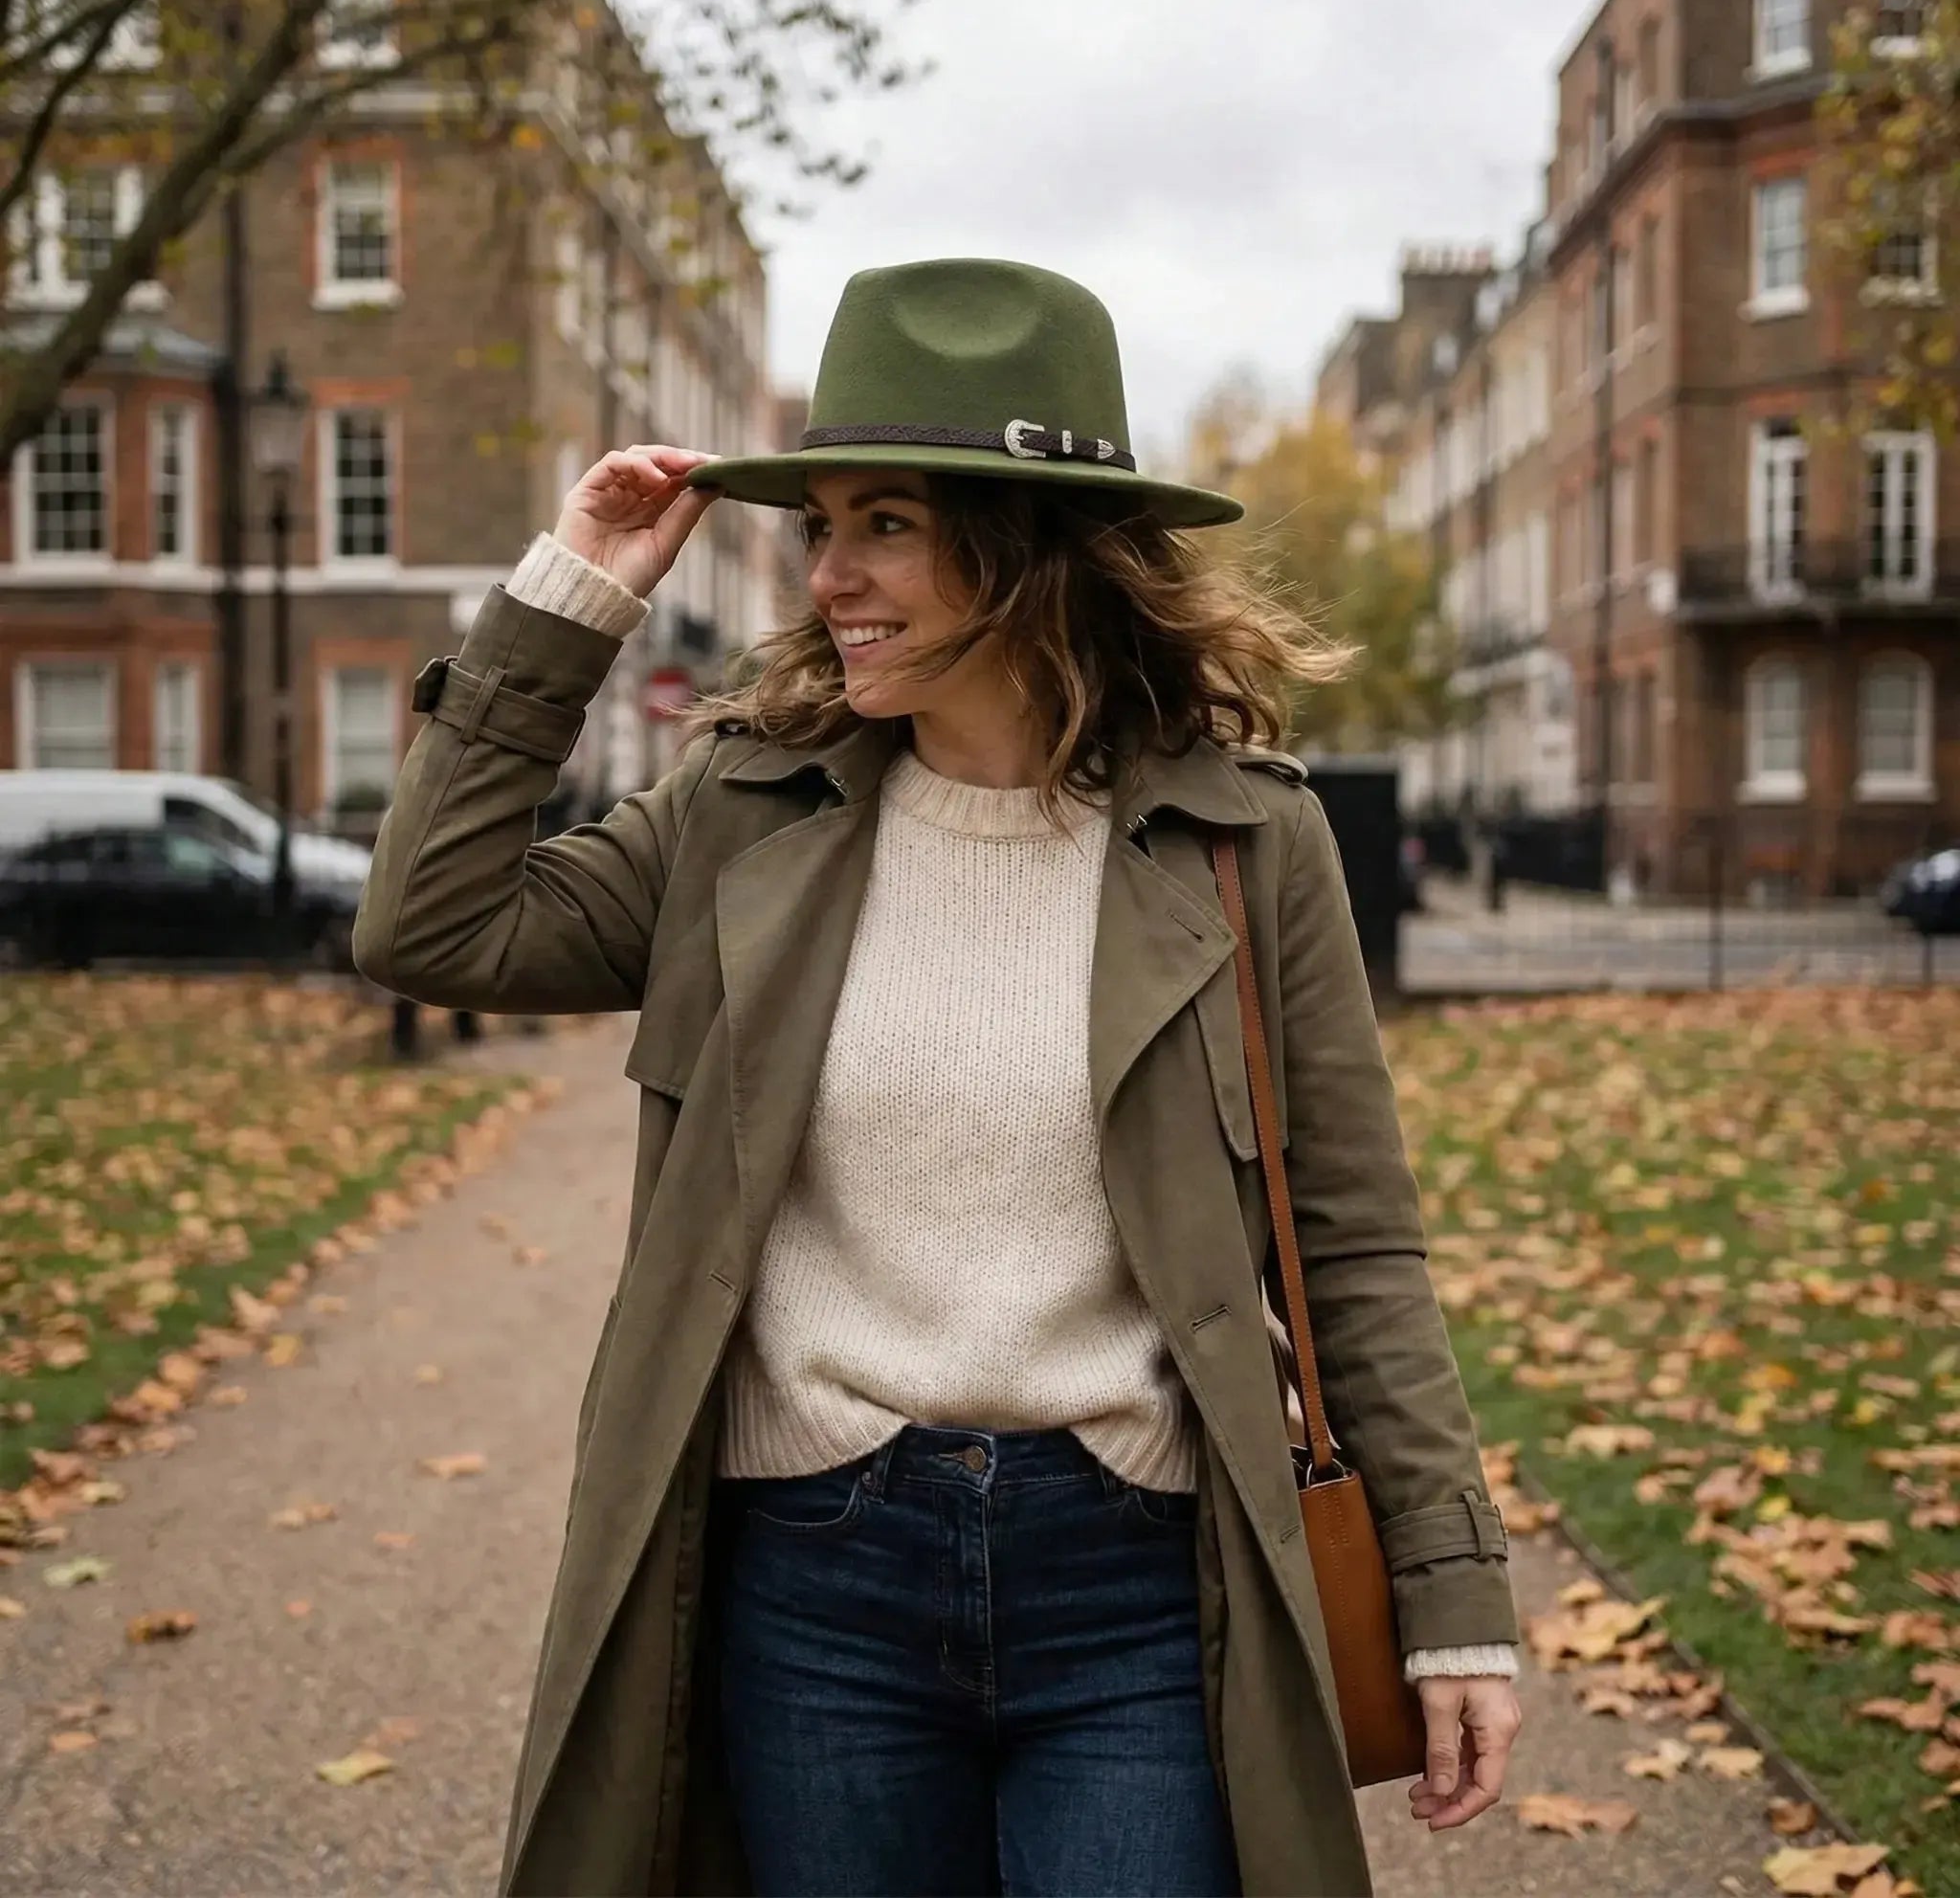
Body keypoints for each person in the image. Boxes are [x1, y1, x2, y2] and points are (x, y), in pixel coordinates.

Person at [354, 257, 1522, 1898]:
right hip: (815, 1574)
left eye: (884, 524)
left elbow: (1356, 1245)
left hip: (1136, 1579)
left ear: (1031, 547)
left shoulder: (1248, 842)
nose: (829, 574)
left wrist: (1453, 1593)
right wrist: (569, 602)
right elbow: (435, 926)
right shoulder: (741, 814)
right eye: (820, 524)